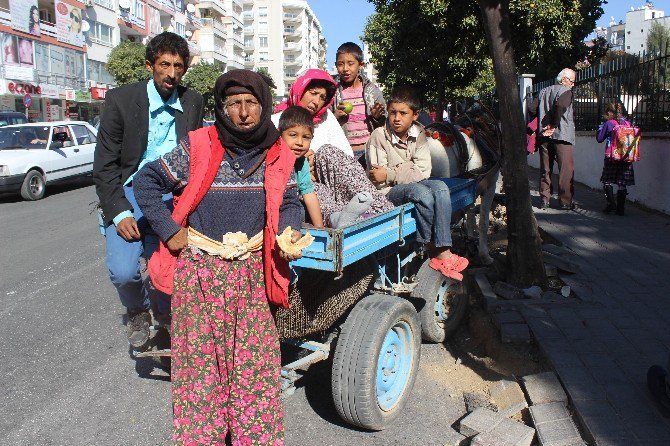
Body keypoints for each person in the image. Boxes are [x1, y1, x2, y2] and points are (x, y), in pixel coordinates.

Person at [134, 69, 302, 446]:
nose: (243, 112)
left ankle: (252, 438)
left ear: (264, 107)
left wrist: (289, 231)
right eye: (234, 104)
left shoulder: (278, 151)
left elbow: (289, 200)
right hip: (200, 274)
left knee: (254, 368)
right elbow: (146, 182)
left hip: (252, 276)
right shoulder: (200, 145)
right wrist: (169, 229)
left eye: (251, 103)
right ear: (222, 109)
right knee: (200, 366)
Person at [93, 32, 204, 349]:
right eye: (164, 64)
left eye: (179, 66)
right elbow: (104, 166)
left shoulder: (193, 101)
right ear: (149, 65)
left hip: (172, 197)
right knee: (124, 272)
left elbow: (198, 153)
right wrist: (118, 211)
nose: (172, 73)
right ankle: (137, 310)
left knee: (171, 269)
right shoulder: (121, 101)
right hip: (129, 196)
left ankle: (168, 317)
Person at [366, 86, 469, 281]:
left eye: (403, 113)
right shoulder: (379, 136)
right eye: (393, 112)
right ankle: (430, 247)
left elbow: (423, 171)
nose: (397, 118)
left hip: (400, 182)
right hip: (387, 192)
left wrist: (390, 172)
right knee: (422, 193)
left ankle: (443, 249)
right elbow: (377, 179)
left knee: (440, 188)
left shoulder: (419, 132)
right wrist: (406, 168)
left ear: (416, 115)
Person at [273, 69, 393, 228]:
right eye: (313, 93)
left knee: (326, 151)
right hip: (303, 182)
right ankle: (341, 218)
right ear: (300, 90)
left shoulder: (327, 118)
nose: (316, 101)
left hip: (333, 177)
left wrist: (316, 162)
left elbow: (346, 157)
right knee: (315, 190)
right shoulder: (277, 121)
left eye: (322, 97)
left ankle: (380, 210)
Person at [332, 42, 386, 160]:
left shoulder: (372, 91)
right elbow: (324, 121)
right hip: (344, 153)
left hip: (370, 151)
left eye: (350, 64)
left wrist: (377, 117)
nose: (345, 69)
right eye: (340, 64)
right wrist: (335, 116)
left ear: (360, 65)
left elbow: (384, 122)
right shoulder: (332, 92)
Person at [535, 68, 577, 210]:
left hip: (544, 137)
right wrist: (553, 124)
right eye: (572, 81)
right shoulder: (566, 92)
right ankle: (565, 201)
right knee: (565, 170)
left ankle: (544, 199)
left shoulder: (542, 91)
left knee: (545, 169)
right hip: (562, 136)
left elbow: (530, 108)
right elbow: (560, 105)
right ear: (564, 79)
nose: (573, 84)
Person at [278, 105, 324, 227]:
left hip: (291, 210)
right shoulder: (273, 159)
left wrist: (321, 229)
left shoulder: (301, 163)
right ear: (280, 135)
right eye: (293, 135)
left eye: (306, 137)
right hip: (273, 210)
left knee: (301, 210)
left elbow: (309, 195)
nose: (299, 142)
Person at [596, 102, 635, 216]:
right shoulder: (628, 123)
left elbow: (599, 139)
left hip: (611, 156)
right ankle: (620, 209)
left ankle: (611, 204)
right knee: (622, 183)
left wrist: (600, 129)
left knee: (607, 181)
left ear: (609, 112)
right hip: (626, 157)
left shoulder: (608, 123)